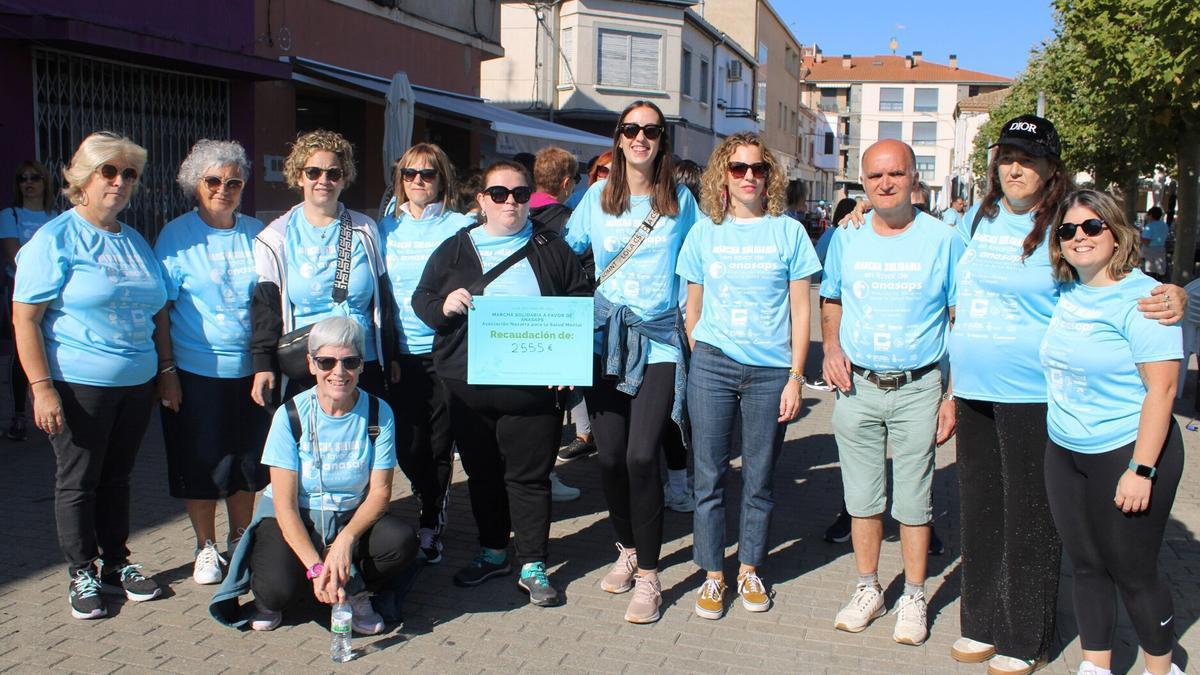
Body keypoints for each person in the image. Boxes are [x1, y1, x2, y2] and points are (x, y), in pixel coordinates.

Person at [949, 115, 1186, 674]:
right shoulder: (977, 218)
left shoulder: (1067, 225)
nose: (1015, 167)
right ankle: (982, 622)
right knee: (981, 513)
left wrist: (1178, 295)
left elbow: (1119, 285)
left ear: (1051, 168)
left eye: (1028, 158)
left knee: (1029, 520)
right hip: (976, 388)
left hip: (1035, 393)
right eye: (1007, 156)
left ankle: (1025, 635)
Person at [412, 160, 590, 606]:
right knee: (483, 474)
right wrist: (444, 304)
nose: (510, 202)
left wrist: (568, 364)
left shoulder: (551, 247)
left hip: (534, 389)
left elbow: (578, 300)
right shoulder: (455, 248)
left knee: (529, 479)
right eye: (499, 194)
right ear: (482, 201)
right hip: (469, 387)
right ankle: (493, 552)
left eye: (520, 193)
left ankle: (532, 563)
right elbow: (422, 299)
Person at [13, 131, 168, 619]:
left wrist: (164, 370)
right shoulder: (55, 238)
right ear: (82, 177)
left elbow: (158, 311)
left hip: (136, 383)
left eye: (129, 174)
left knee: (117, 478)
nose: (119, 182)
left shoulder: (135, 238)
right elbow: (25, 318)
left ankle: (115, 563)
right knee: (79, 480)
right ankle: (81, 569)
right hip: (80, 385)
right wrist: (41, 389)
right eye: (109, 171)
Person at [821, 139, 964, 646]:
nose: (885, 184)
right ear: (864, 183)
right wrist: (831, 346)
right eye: (875, 176)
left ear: (914, 179)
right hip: (857, 385)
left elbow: (960, 319)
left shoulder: (944, 240)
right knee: (861, 497)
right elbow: (832, 296)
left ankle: (915, 595)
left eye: (895, 175)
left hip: (918, 386)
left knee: (915, 499)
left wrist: (952, 395)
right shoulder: (847, 236)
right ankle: (868, 588)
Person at [564, 100, 699, 624]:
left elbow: (702, 261)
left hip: (660, 341)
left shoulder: (680, 200)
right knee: (610, 458)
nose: (640, 138)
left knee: (644, 456)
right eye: (630, 129)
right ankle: (625, 549)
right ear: (618, 138)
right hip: (603, 342)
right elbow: (563, 250)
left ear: (663, 139)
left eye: (650, 130)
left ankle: (650, 575)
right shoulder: (597, 196)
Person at [1041, 190, 1185, 675]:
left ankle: (1160, 668)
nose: (1079, 237)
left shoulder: (1147, 300)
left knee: (1134, 571)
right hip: (1065, 451)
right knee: (1084, 564)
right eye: (1068, 230)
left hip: (1128, 452)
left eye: (1091, 226)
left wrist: (1140, 469)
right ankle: (1096, 666)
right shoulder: (1062, 291)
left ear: (1116, 233)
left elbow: (1162, 392)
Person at [678, 132, 820, 619]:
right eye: (739, 168)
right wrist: (705, 351)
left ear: (769, 176)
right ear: (724, 174)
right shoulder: (704, 233)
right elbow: (691, 308)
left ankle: (751, 568)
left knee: (759, 478)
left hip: (770, 372)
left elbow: (803, 312)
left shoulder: (789, 232)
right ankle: (713, 574)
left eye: (758, 169)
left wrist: (796, 376)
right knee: (709, 475)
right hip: (713, 367)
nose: (749, 177)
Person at [210, 317, 416, 634]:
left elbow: (380, 494)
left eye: (350, 361)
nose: (339, 371)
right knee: (278, 591)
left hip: (349, 514)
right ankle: (319, 580)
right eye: (327, 361)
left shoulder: (379, 412)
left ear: (361, 365)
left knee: (401, 542)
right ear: (310, 364)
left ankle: (353, 590)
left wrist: (345, 542)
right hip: (297, 516)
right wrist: (317, 566)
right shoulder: (290, 415)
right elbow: (285, 506)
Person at [153, 139, 269, 585]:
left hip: (250, 372)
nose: (224, 189)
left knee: (245, 462)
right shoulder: (175, 235)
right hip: (194, 371)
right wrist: (167, 371)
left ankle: (240, 538)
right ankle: (205, 546)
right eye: (214, 181)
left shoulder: (259, 233)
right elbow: (161, 308)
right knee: (199, 462)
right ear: (195, 184)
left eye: (233, 182)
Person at [378, 142, 473, 564]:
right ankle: (426, 491)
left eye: (428, 174)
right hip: (399, 352)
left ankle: (432, 519)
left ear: (442, 180)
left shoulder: (462, 226)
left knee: (437, 443)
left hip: (445, 350)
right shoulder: (384, 228)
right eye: (410, 174)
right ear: (400, 179)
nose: (418, 181)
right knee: (404, 443)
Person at [249, 130, 392, 408]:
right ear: (299, 175)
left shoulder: (366, 229)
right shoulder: (276, 237)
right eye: (313, 172)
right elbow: (265, 309)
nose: (323, 181)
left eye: (333, 173)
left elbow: (384, 301)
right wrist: (262, 363)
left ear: (344, 178)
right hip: (309, 368)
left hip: (361, 363)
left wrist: (392, 357)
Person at [526, 146, 586, 502]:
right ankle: (546, 475)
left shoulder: (514, 210)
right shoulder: (569, 219)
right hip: (554, 323)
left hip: (516, 324)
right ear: (566, 182)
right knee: (551, 408)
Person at [558, 150, 612, 464]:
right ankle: (586, 434)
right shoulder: (590, 199)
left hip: (648, 329)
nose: (608, 174)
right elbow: (567, 250)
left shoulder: (674, 198)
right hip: (594, 318)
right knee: (614, 447)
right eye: (602, 170)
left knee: (640, 448)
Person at [1, 160, 57, 441]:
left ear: (45, 182)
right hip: (21, 289)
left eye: (35, 177)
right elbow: (14, 254)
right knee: (23, 349)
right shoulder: (10, 215)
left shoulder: (57, 217)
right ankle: (19, 415)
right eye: (23, 178)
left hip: (58, 292)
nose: (29, 182)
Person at [1141, 206, 1168, 280]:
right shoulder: (1164, 225)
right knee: (1160, 271)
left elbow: (1146, 241)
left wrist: (1139, 237)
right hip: (1161, 249)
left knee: (1149, 273)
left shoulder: (1150, 226)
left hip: (1150, 251)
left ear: (1151, 215)